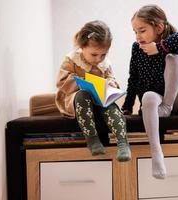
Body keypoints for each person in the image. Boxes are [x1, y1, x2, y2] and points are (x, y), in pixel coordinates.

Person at [122, 4, 178, 179]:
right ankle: (156, 153)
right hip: (156, 99)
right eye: (135, 32)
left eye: (142, 30)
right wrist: (127, 106)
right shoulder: (136, 49)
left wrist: (159, 48)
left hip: (177, 99)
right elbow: (133, 79)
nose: (138, 36)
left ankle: (167, 106)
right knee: (147, 96)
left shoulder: (170, 43)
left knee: (173, 58)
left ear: (159, 28)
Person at [55, 20, 131, 162]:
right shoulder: (72, 60)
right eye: (94, 54)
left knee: (111, 106)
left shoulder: (104, 63)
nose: (99, 59)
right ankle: (92, 139)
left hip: (98, 99)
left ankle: (123, 143)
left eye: (103, 54)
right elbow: (61, 82)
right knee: (83, 95)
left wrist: (110, 83)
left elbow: (111, 79)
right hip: (76, 98)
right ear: (82, 47)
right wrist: (83, 80)